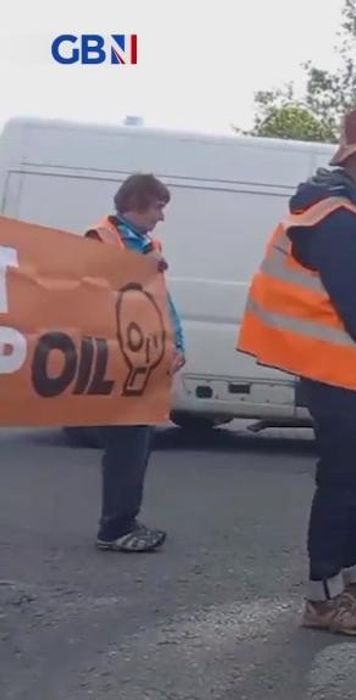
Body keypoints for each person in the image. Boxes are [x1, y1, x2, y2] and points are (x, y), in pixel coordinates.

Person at [236, 106, 356, 636]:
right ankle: (322, 598)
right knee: (343, 481)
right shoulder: (337, 217)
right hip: (336, 371)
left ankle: (352, 574)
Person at [85, 173, 186, 553]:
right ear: (135, 203)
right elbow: (91, 290)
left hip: (143, 355)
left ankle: (124, 519)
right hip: (117, 357)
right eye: (158, 206)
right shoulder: (101, 237)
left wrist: (176, 342)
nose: (161, 216)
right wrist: (142, 265)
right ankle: (114, 528)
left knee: (138, 442)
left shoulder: (147, 243)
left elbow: (161, 301)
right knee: (126, 443)